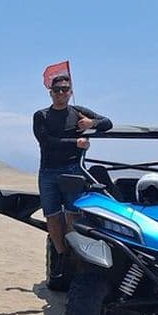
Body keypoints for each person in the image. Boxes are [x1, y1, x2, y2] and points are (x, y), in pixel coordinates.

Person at [33, 74, 112, 278]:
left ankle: (74, 254)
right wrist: (75, 143)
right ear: (50, 92)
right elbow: (46, 140)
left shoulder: (78, 112)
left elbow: (108, 123)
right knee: (52, 215)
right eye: (57, 89)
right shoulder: (41, 115)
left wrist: (91, 123)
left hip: (73, 170)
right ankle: (60, 256)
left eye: (65, 89)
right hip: (49, 170)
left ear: (71, 92)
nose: (61, 93)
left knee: (73, 214)